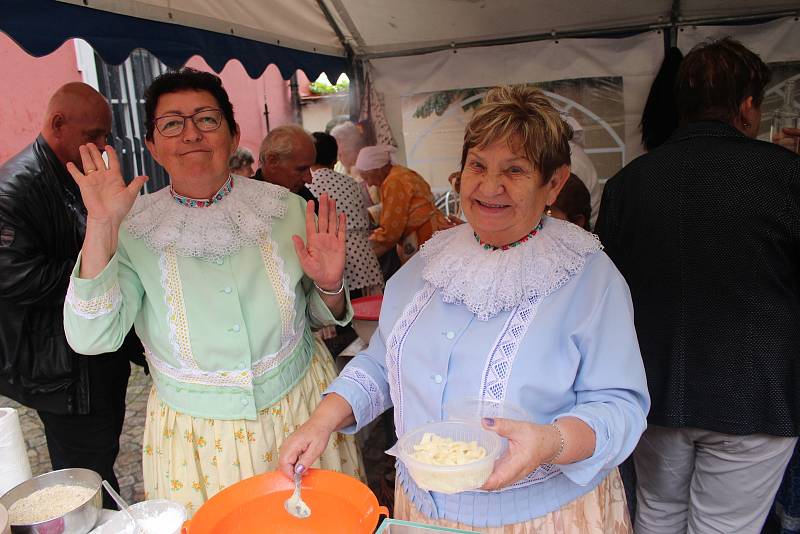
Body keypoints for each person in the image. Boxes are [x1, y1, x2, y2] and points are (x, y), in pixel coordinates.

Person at [280, 86, 650, 532]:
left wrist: (550, 441)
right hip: (423, 509)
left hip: (539, 516)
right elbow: (383, 361)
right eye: (478, 165)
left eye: (514, 170)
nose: (489, 187)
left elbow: (620, 406)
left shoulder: (588, 277)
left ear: (554, 182)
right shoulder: (429, 262)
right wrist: (321, 421)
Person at [62, 68, 363, 516]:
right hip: (199, 443)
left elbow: (321, 315)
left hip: (301, 415)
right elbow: (91, 338)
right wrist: (103, 225)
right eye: (172, 124)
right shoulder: (131, 230)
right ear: (152, 145)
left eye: (207, 118)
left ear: (233, 131)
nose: (191, 134)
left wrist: (330, 285)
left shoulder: (287, 209)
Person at [595, 38, 800, 534]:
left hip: (655, 387)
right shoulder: (787, 175)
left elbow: (607, 288)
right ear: (747, 105)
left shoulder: (628, 184)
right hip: (758, 394)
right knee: (725, 526)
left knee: (658, 515)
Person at [0, 82, 143, 508]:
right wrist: (96, 271)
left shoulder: (69, 171)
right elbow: (11, 277)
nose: (102, 145)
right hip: (60, 368)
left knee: (100, 459)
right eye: (94, 135)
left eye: (107, 136)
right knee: (86, 471)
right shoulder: (13, 189)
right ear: (58, 124)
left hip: (95, 354)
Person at [308, 132, 383, 297]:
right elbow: (365, 219)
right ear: (335, 159)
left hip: (331, 261)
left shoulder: (306, 186)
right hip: (362, 257)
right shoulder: (351, 183)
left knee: (341, 315)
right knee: (367, 314)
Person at [355, 146, 452, 263]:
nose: (369, 184)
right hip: (434, 229)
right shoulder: (400, 172)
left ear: (378, 169)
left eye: (367, 178)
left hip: (425, 236)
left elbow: (390, 231)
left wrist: (361, 247)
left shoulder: (393, 182)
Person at [256, 124, 318, 212]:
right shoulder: (243, 202)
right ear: (272, 161)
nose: (309, 179)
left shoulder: (304, 198)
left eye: (309, 169)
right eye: (301, 169)